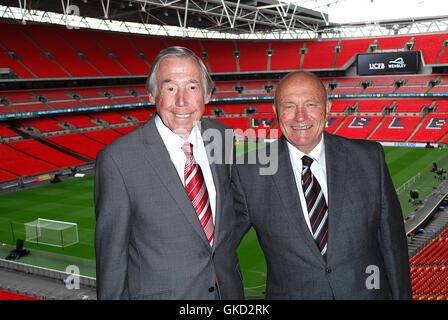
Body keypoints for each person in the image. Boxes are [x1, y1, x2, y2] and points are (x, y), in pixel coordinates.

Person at [232, 71, 412, 299]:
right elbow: (219, 248)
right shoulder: (248, 172)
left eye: (310, 104)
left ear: (328, 107)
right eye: (289, 106)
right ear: (276, 111)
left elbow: (392, 245)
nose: (300, 117)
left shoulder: (369, 158)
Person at [94, 46, 244, 300]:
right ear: (153, 94)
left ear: (208, 94)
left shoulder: (224, 137)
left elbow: (231, 218)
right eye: (170, 87)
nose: (182, 101)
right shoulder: (117, 160)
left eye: (193, 87)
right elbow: (112, 260)